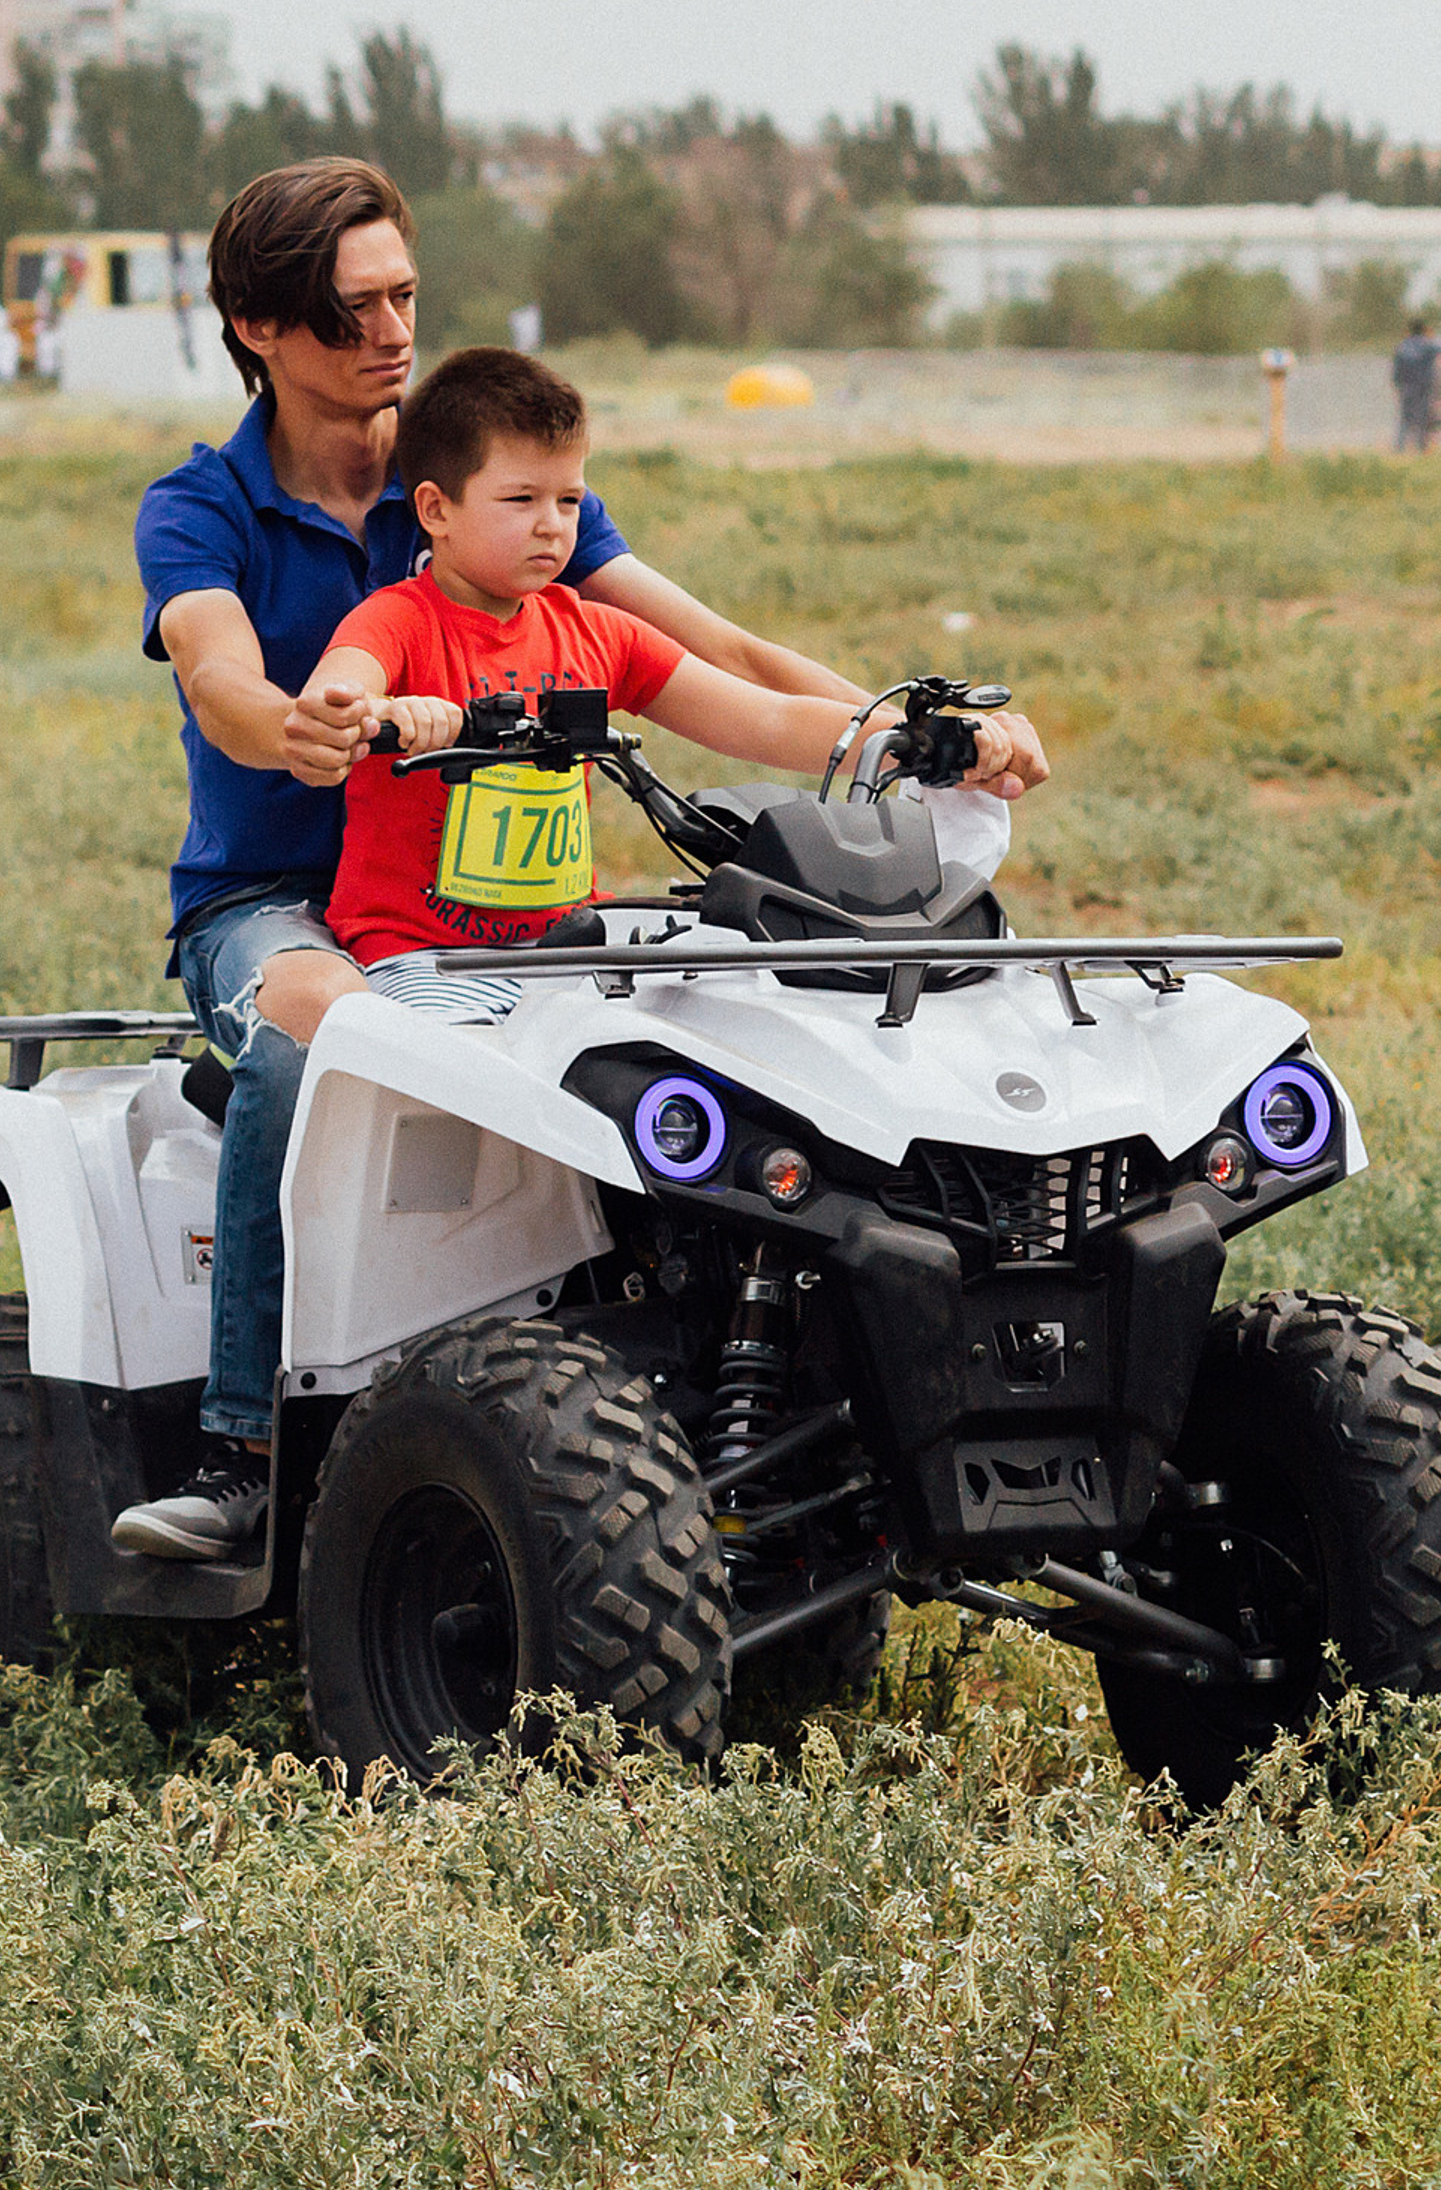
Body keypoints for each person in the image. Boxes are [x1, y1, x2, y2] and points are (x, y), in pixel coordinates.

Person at [115, 161, 1047, 1559]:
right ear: (257, 326)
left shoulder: (507, 495)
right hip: (285, 914)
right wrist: (304, 728)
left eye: (403, 294)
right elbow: (220, 678)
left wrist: (921, 730)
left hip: (502, 926)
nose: (390, 329)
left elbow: (721, 662)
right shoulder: (205, 509)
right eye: (349, 309)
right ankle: (241, 1452)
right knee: (319, 1038)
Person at [303, 348, 1013, 1018]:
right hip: (426, 961)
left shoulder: (596, 633)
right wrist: (380, 711)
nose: (553, 526)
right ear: (435, 510)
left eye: (569, 500)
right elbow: (338, 693)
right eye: (521, 499)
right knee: (470, 1083)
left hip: (569, 950)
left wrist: (914, 741)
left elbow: (763, 719)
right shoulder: (396, 621)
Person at [1391, 315, 1441, 452]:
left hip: (1406, 386)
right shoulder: (1427, 345)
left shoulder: (1402, 346)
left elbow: (1396, 369)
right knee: (1422, 417)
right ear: (1423, 329)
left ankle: (1400, 447)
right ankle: (1421, 447)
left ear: (1409, 330)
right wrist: (1431, 336)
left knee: (1405, 417)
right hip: (1423, 386)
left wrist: (1397, 384)